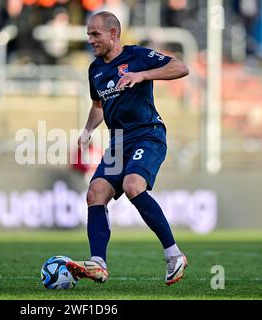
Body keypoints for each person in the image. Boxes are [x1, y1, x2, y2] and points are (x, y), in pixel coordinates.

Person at [66, 11, 190, 286]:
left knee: (134, 184)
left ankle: (174, 255)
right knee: (95, 192)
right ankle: (98, 263)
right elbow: (99, 105)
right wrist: (87, 130)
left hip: (148, 134)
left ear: (113, 33)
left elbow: (181, 67)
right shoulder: (95, 69)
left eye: (95, 34)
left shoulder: (137, 56)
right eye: (88, 34)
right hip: (118, 141)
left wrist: (143, 75)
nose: (90, 40)